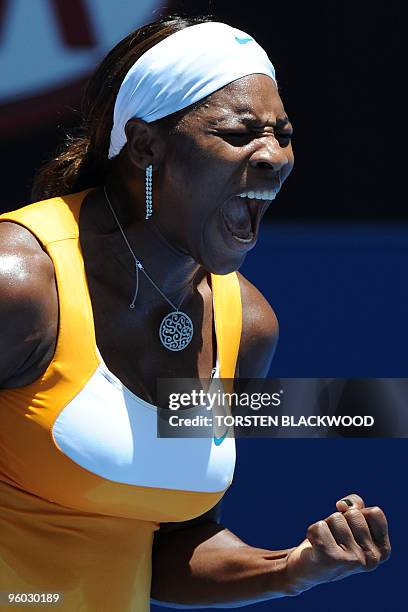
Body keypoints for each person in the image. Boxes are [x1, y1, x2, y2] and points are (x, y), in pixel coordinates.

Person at [0, 14, 391, 611]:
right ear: (146, 144)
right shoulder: (20, 285)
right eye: (239, 133)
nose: (273, 157)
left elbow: (172, 544)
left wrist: (293, 567)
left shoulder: (249, 325)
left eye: (282, 133)